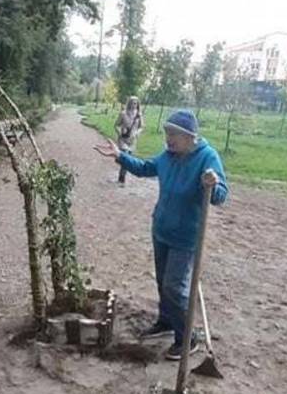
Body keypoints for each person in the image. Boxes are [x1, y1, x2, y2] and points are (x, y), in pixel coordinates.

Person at [94, 109, 229, 360]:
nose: (168, 139)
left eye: (173, 134)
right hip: (161, 230)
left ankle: (187, 338)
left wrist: (213, 183)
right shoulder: (168, 156)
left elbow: (220, 195)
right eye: (167, 133)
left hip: (186, 238)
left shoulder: (207, 157)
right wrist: (120, 156)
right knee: (162, 283)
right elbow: (146, 168)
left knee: (175, 288)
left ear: (190, 136)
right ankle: (166, 321)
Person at [113, 96, 143, 185]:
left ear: (138, 104)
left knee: (127, 159)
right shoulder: (123, 114)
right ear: (129, 103)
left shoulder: (139, 115)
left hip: (132, 141)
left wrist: (137, 133)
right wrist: (120, 132)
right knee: (125, 156)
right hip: (123, 139)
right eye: (132, 102)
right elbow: (116, 125)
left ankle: (121, 173)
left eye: (136, 103)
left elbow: (142, 127)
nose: (134, 105)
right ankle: (122, 180)